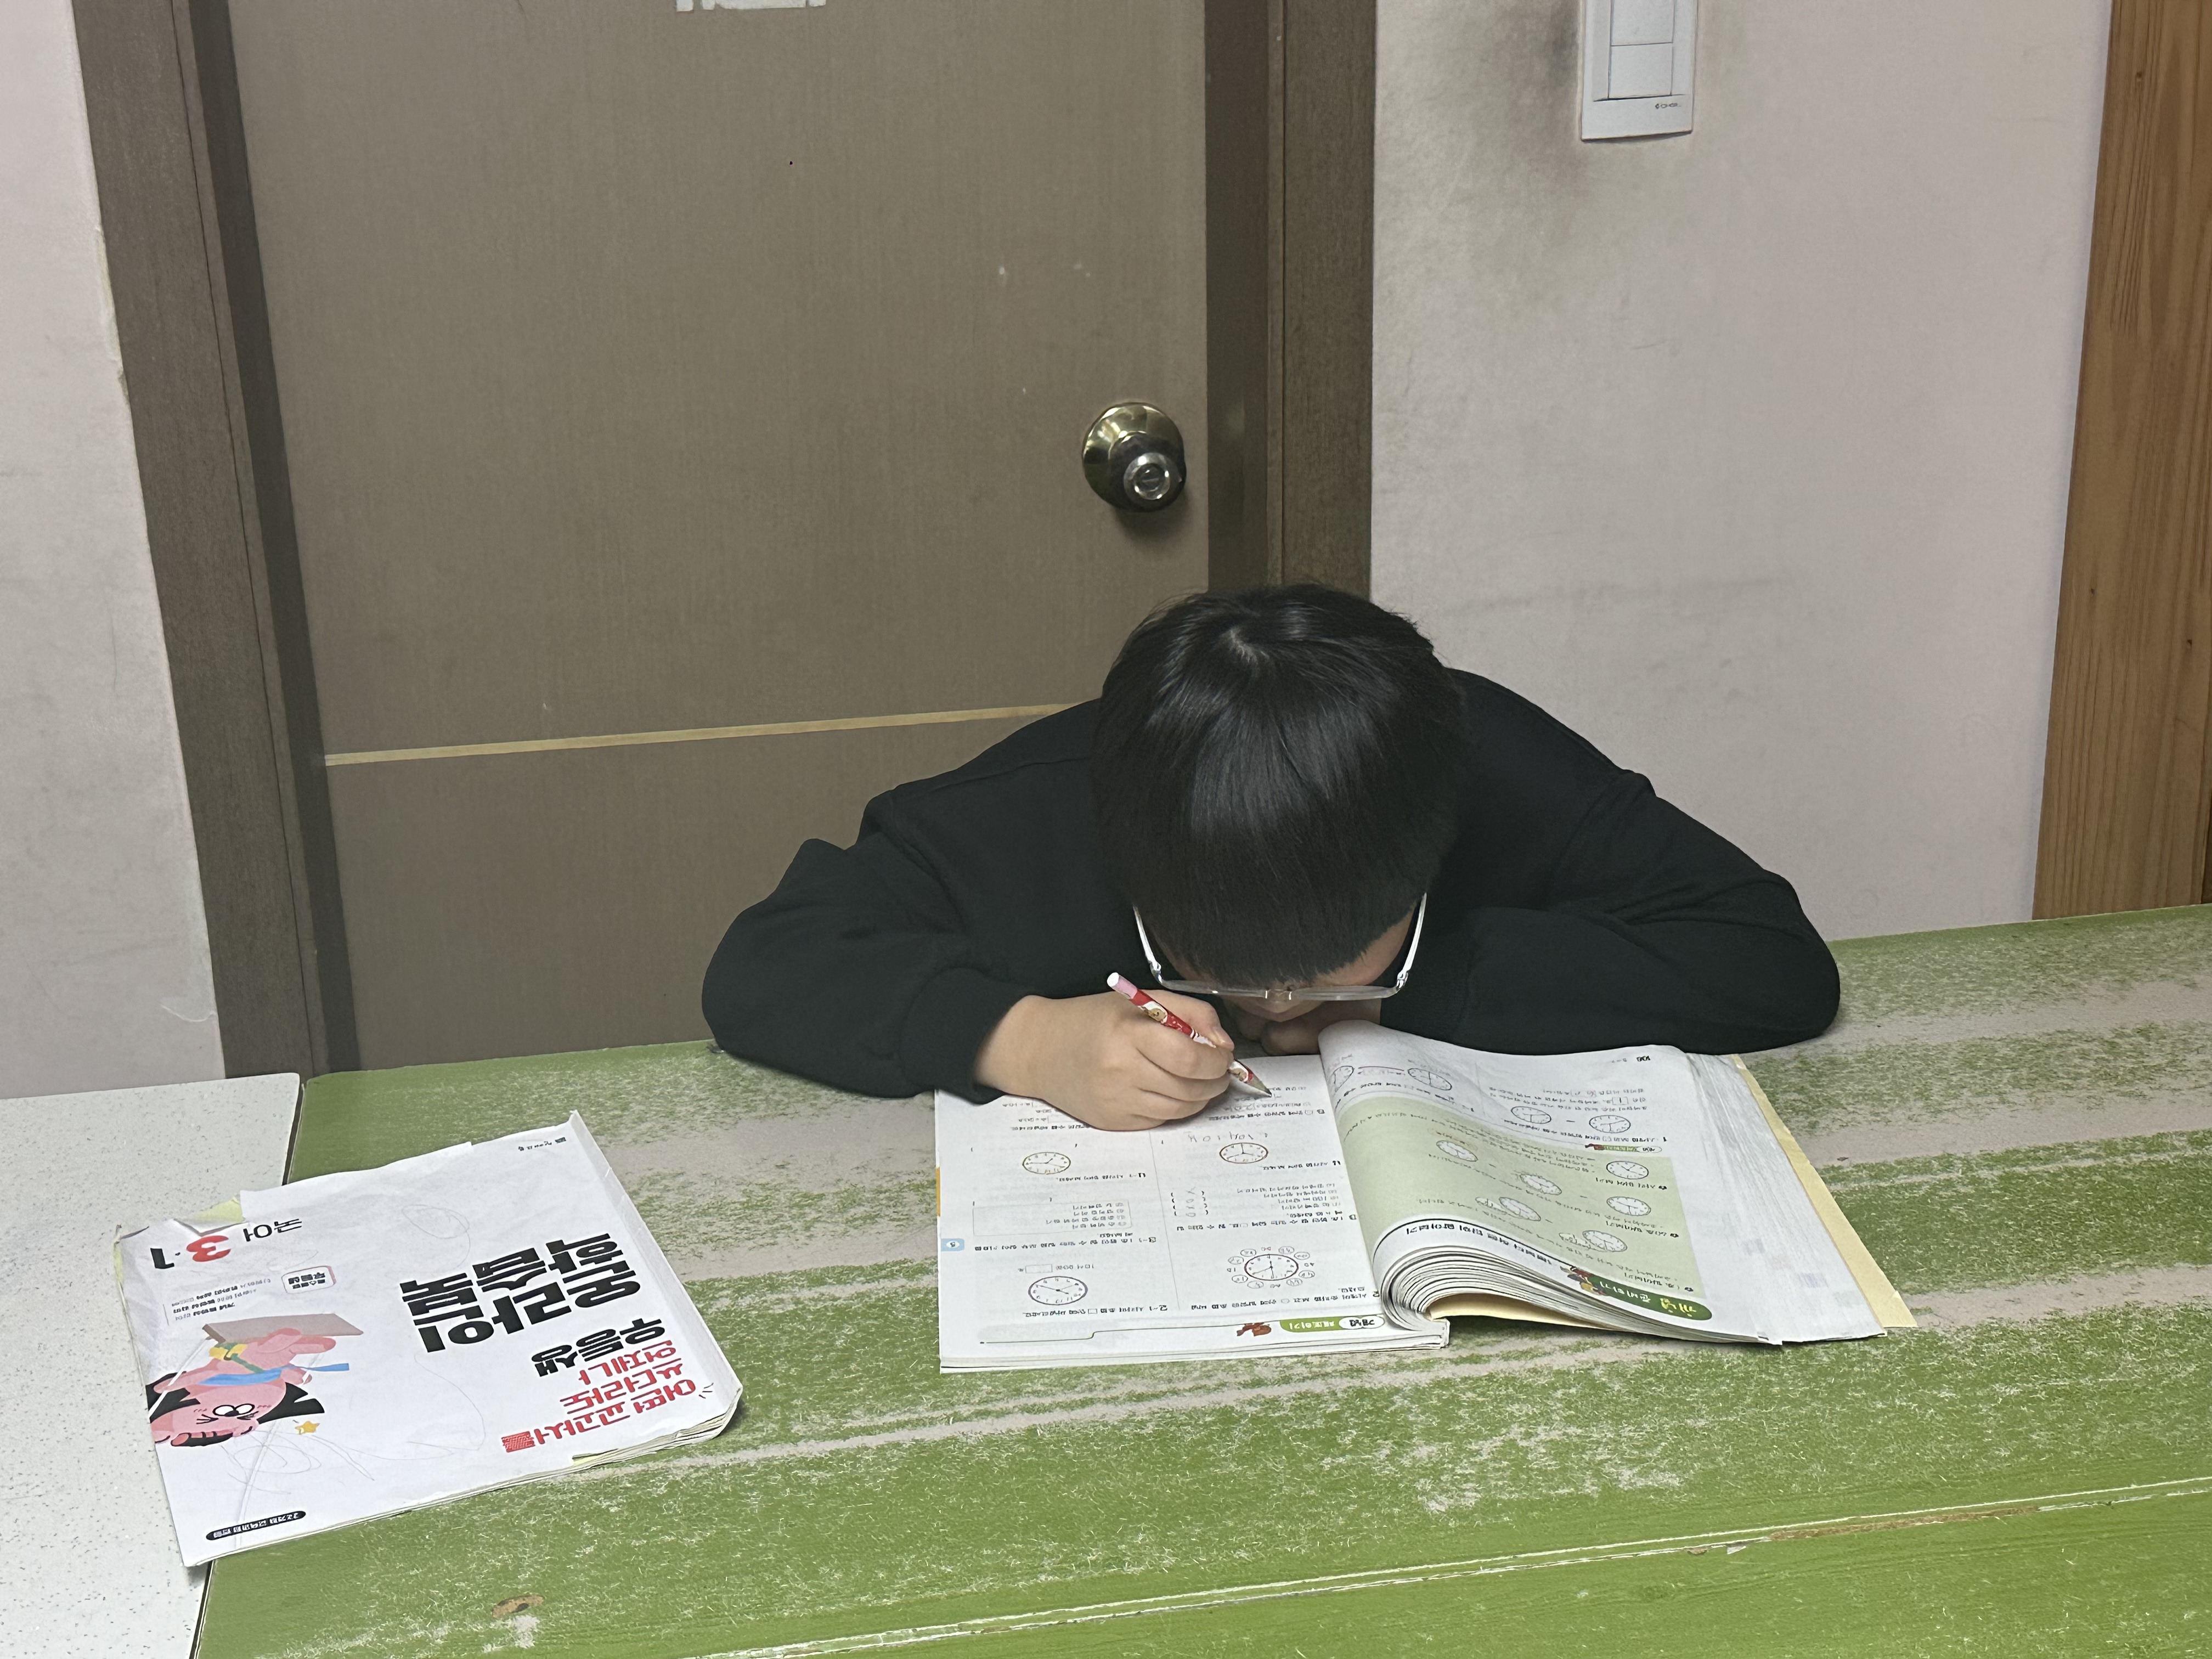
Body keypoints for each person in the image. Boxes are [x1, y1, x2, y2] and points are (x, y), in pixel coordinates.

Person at [703, 585, 1837, 1131]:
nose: (1276, 1006)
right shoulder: (1040, 807)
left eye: (1333, 966)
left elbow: (1769, 956)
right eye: (1222, 968)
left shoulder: (1482, 761)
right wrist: (1027, 1042)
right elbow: (766, 963)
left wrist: (1409, 997)